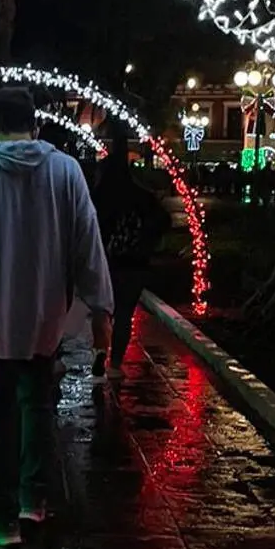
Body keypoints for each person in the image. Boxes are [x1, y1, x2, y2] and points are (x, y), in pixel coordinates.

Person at [0, 87, 113, 547]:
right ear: (36, 123)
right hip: (47, 313)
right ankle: (35, 500)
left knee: (0, 415)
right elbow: (86, 238)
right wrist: (100, 307)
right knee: (39, 408)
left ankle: (1, 517)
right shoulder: (65, 170)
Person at [92, 144, 172, 377]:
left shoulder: (100, 197)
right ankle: (115, 364)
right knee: (124, 314)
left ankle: (98, 351)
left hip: (105, 262)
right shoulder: (141, 196)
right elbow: (163, 220)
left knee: (102, 311)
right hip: (134, 263)